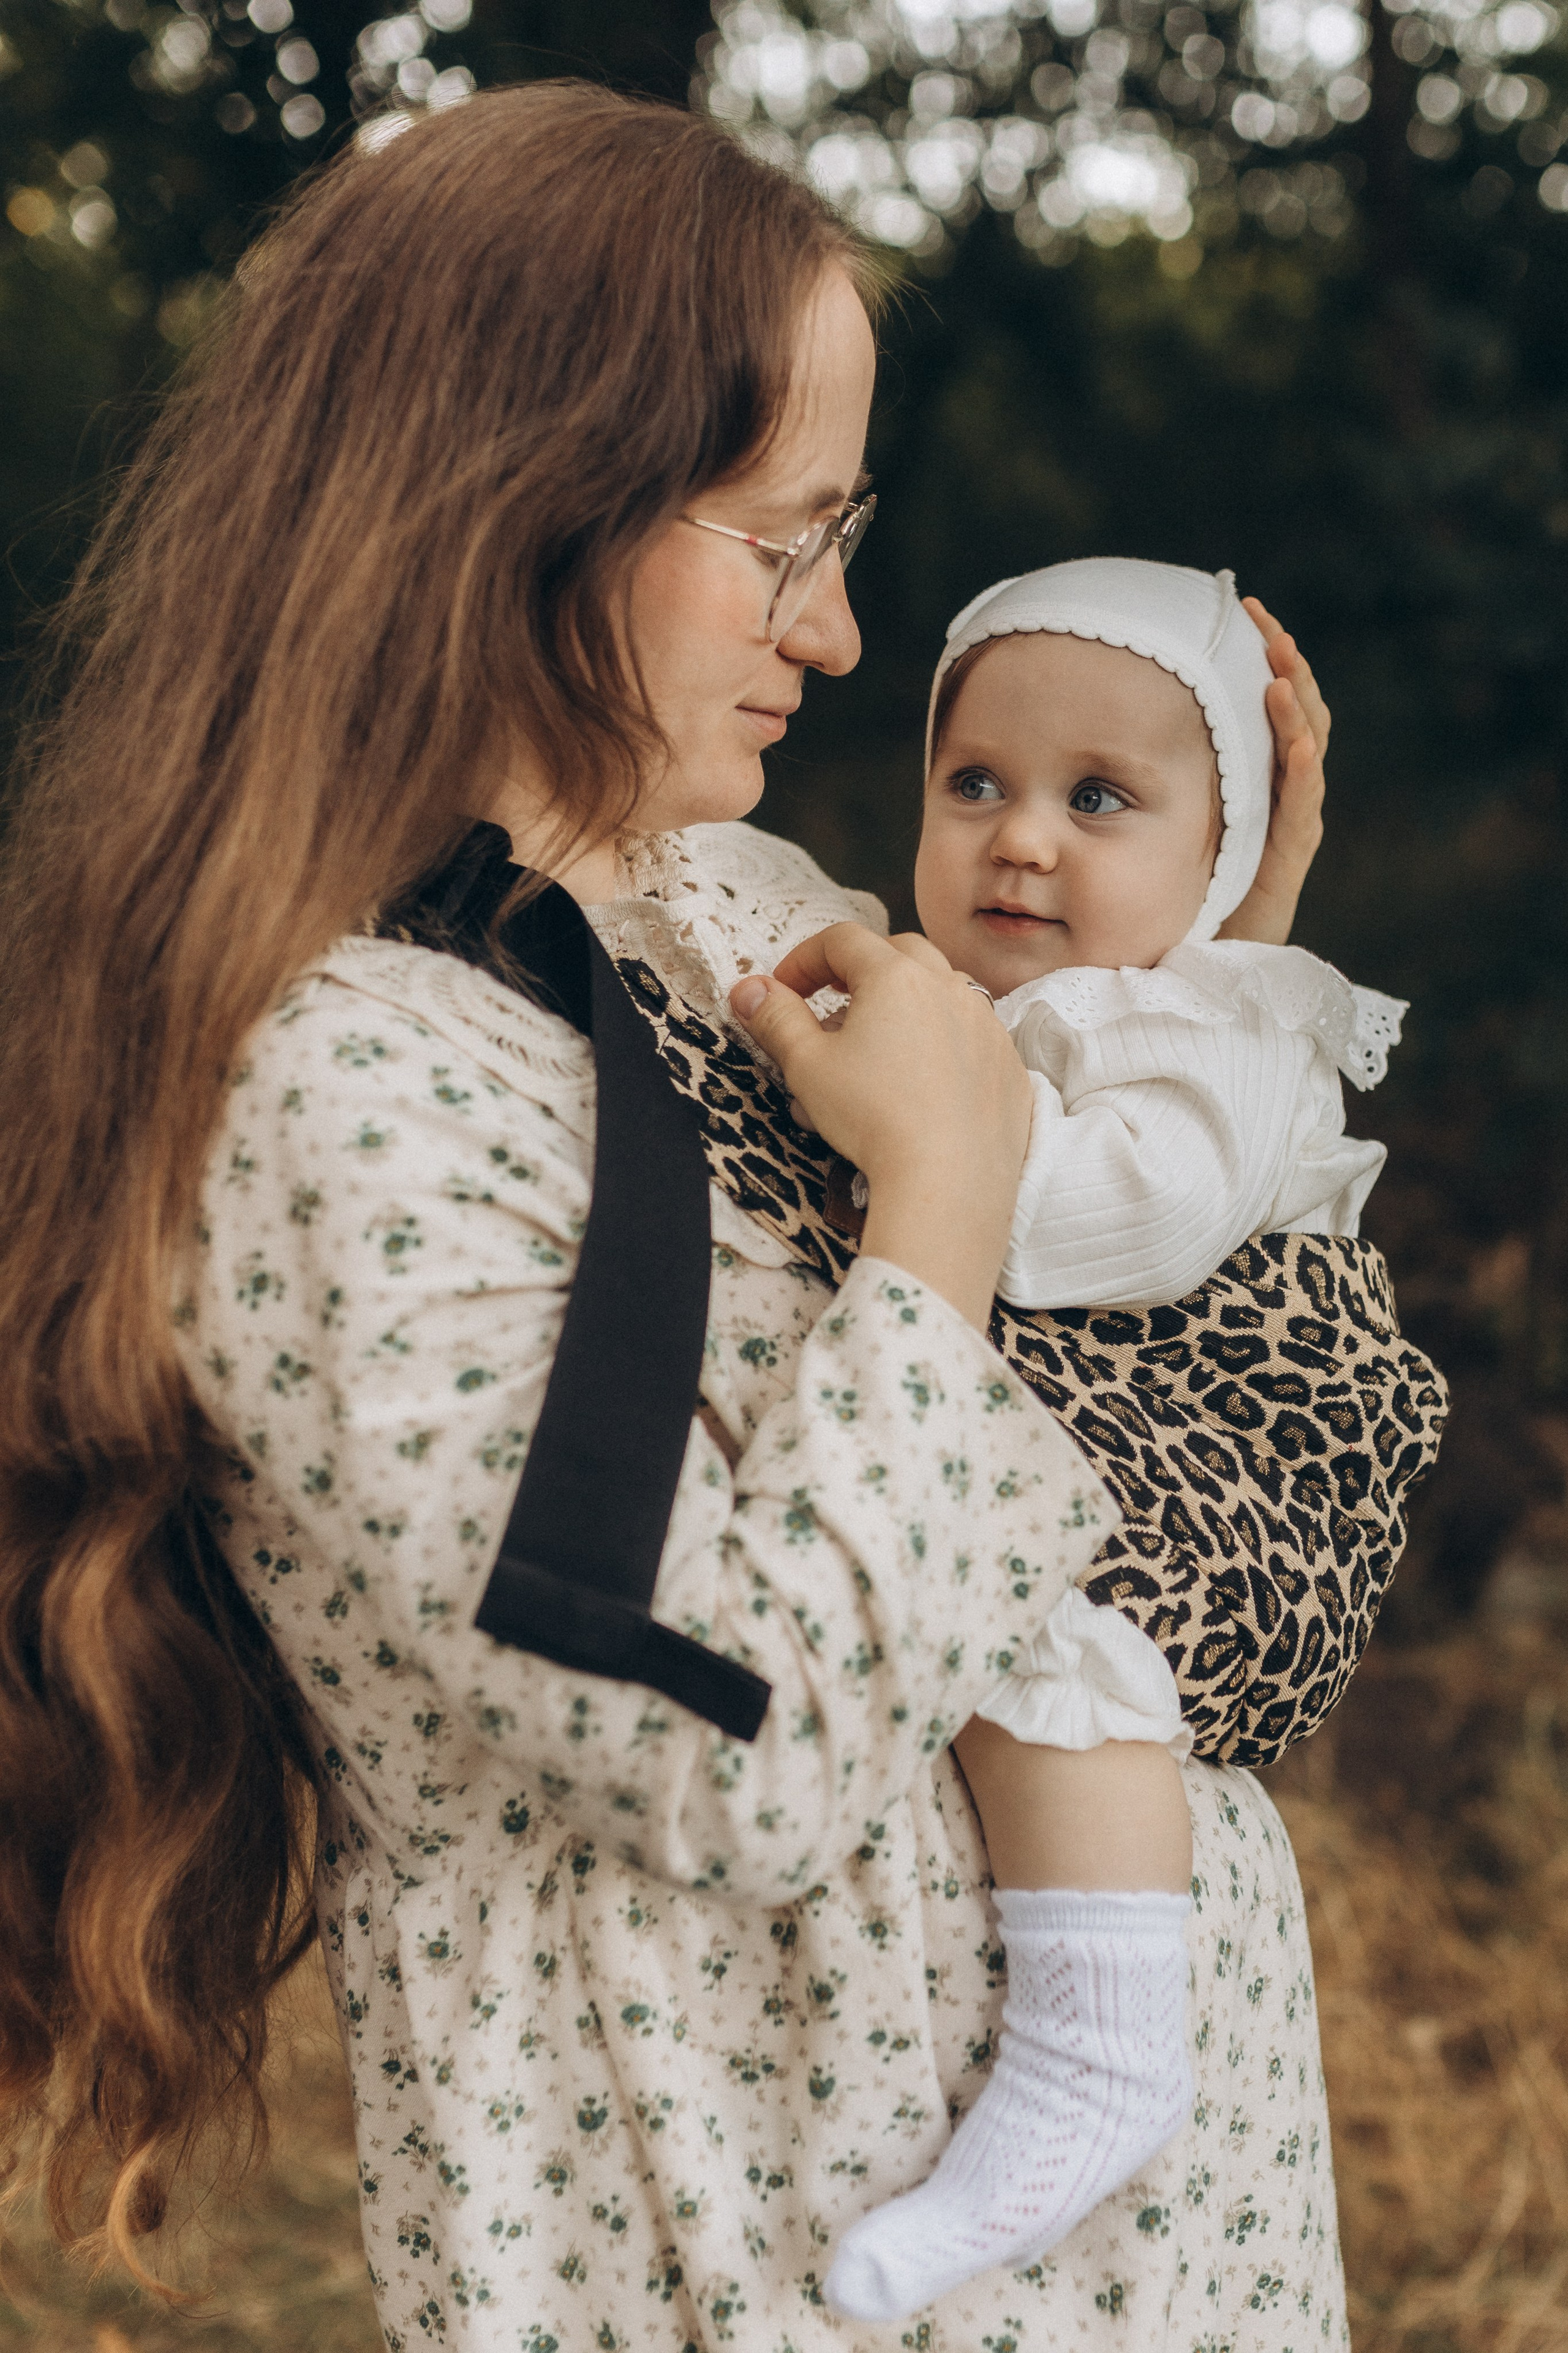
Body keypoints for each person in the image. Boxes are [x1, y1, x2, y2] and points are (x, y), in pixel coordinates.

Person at [0, 83, 1430, 2352]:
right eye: (782, 542)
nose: (844, 635)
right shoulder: (344, 1076)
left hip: (1152, 2258)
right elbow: (718, 1737)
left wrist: (1215, 975)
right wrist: (943, 1203)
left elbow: (1220, 1459)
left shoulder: (720, 902)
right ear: (519, 506)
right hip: (756, 2238)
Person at [823, 557, 1409, 2323]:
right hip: (1122, 1430)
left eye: (1101, 799)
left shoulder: (1213, 1025)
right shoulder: (1027, 998)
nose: (1021, 840)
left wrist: (896, 1134)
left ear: (1216, 861)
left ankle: (1100, 2042)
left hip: (1227, 1466)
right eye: (976, 782)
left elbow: (1127, 1226)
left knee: (1047, 1622)